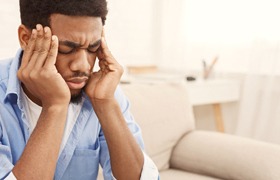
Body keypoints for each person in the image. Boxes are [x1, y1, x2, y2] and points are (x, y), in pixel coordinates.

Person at [0, 0, 159, 179]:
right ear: (26, 39)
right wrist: (54, 106)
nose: (83, 66)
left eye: (93, 48)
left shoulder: (102, 91)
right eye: (66, 49)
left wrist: (105, 104)